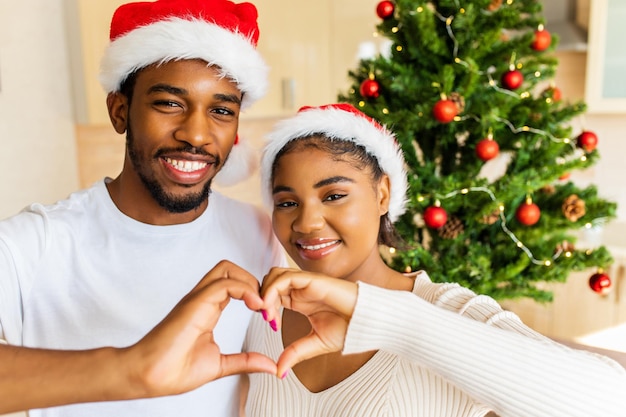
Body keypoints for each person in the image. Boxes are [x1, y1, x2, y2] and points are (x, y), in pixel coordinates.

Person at [242, 103, 626, 417]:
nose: (307, 222)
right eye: (287, 203)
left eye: (334, 196)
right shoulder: (265, 316)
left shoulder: (449, 310)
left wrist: (390, 320)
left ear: (382, 195)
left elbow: (610, 402)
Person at [0, 0, 287, 415]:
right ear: (120, 111)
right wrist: (133, 369)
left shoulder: (257, 232)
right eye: (169, 103)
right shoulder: (33, 244)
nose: (196, 135)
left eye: (222, 110)